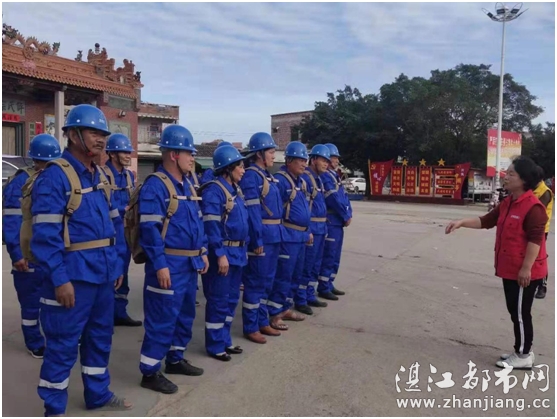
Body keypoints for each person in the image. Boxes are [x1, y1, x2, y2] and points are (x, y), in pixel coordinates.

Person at [31, 104, 132, 415]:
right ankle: (54, 409)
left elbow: (115, 225)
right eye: (93, 132)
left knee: (100, 339)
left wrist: (117, 264)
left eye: (103, 134)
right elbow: (45, 237)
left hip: (103, 276)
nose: (101, 139)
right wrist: (59, 279)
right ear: (73, 135)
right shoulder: (55, 177)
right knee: (62, 345)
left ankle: (97, 395)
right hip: (73, 278)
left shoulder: (100, 175)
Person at [446, 156, 548, 369]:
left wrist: (526, 268)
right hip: (510, 268)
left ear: (523, 180)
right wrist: (461, 222)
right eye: (507, 173)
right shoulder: (508, 203)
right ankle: (521, 350)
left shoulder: (533, 207)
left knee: (521, 313)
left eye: (511, 174)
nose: (506, 177)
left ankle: (523, 355)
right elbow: (486, 221)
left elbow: (536, 240)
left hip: (524, 271)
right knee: (515, 311)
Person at [138, 124, 208, 394]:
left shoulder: (188, 185)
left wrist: (202, 251)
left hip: (189, 264)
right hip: (169, 264)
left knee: (184, 315)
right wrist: (160, 265)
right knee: (162, 318)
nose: (193, 158)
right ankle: (150, 372)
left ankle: (175, 359)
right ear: (173, 155)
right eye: (189, 153)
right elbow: (149, 230)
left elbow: (197, 222)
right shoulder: (156, 186)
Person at [2, 134, 61, 359]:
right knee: (30, 303)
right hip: (27, 256)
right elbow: (11, 221)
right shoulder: (21, 182)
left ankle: (55, 337)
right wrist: (17, 254)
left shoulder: (54, 179)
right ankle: (34, 342)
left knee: (53, 299)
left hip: (48, 253)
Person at [200, 145, 249, 361]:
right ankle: (215, 345)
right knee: (219, 301)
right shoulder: (214, 191)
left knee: (230, 301)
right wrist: (220, 254)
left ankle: (225, 340)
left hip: (237, 252)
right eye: (240, 166)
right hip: (224, 253)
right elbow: (212, 227)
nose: (243, 170)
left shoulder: (235, 190)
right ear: (228, 168)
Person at [239, 133, 283, 344]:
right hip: (262, 237)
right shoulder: (251, 177)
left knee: (267, 282)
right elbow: (253, 212)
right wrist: (256, 240)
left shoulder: (267, 176)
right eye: (271, 152)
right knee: (255, 283)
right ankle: (251, 326)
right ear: (259, 154)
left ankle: (262, 320)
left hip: (274, 236)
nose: (274, 156)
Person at [267, 141, 311, 330]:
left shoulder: (301, 181)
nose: (304, 164)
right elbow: (275, 211)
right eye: (301, 160)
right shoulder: (281, 181)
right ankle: (274, 313)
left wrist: (307, 231)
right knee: (283, 276)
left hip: (300, 236)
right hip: (288, 236)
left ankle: (285, 307)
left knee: (295, 275)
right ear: (290, 160)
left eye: (305, 160)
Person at [103, 133, 142, 327]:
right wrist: (122, 210)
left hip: (125, 233)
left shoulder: (128, 176)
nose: (128, 155)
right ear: (112, 154)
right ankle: (104, 316)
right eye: (124, 152)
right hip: (108, 233)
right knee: (109, 274)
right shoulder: (102, 175)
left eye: (129, 152)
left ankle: (119, 313)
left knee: (123, 273)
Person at [296, 144, 331, 315]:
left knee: (315, 265)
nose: (326, 164)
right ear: (314, 159)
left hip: (321, 228)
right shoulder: (306, 178)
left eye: (327, 161)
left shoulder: (318, 179)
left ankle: (309, 294)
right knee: (306, 265)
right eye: (323, 160)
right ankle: (300, 298)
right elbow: (305, 208)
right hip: (312, 228)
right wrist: (308, 229)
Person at [317, 143, 352, 301]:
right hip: (332, 221)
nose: (337, 160)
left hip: (338, 221)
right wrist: (345, 215)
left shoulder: (334, 176)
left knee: (335, 255)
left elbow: (344, 197)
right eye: (334, 157)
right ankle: (323, 286)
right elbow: (333, 199)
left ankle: (329, 282)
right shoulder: (326, 176)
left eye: (337, 157)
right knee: (329, 255)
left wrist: (348, 213)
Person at [532, 167, 553, 299]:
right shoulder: (531, 189)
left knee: (539, 258)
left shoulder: (545, 192)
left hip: (541, 230)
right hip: (529, 228)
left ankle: (542, 286)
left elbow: (536, 210)